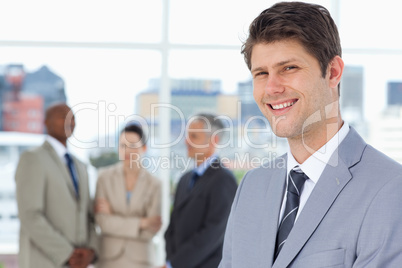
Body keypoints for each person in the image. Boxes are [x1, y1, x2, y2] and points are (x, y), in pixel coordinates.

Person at [219, 2, 402, 268]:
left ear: (333, 72)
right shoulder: (252, 185)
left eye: (289, 68)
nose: (271, 88)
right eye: (261, 73)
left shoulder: (390, 190)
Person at [15, 103, 98, 268]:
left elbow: (88, 215)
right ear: (46, 122)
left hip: (79, 263)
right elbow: (30, 215)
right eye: (62, 116)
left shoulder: (80, 166)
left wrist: (91, 250)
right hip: (44, 261)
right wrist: (67, 253)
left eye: (73, 117)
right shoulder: (32, 159)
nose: (70, 121)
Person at [164, 113, 237, 268]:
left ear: (214, 140)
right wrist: (170, 261)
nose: (186, 142)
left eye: (194, 136)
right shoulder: (185, 179)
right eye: (187, 136)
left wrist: (175, 263)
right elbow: (173, 226)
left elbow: (213, 233)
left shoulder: (223, 179)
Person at [94, 124, 162, 268]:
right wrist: (141, 222)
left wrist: (114, 217)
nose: (127, 151)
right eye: (122, 145)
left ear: (144, 148)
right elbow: (102, 222)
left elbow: (151, 229)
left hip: (141, 260)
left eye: (132, 146)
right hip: (108, 259)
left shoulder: (155, 184)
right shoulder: (103, 178)